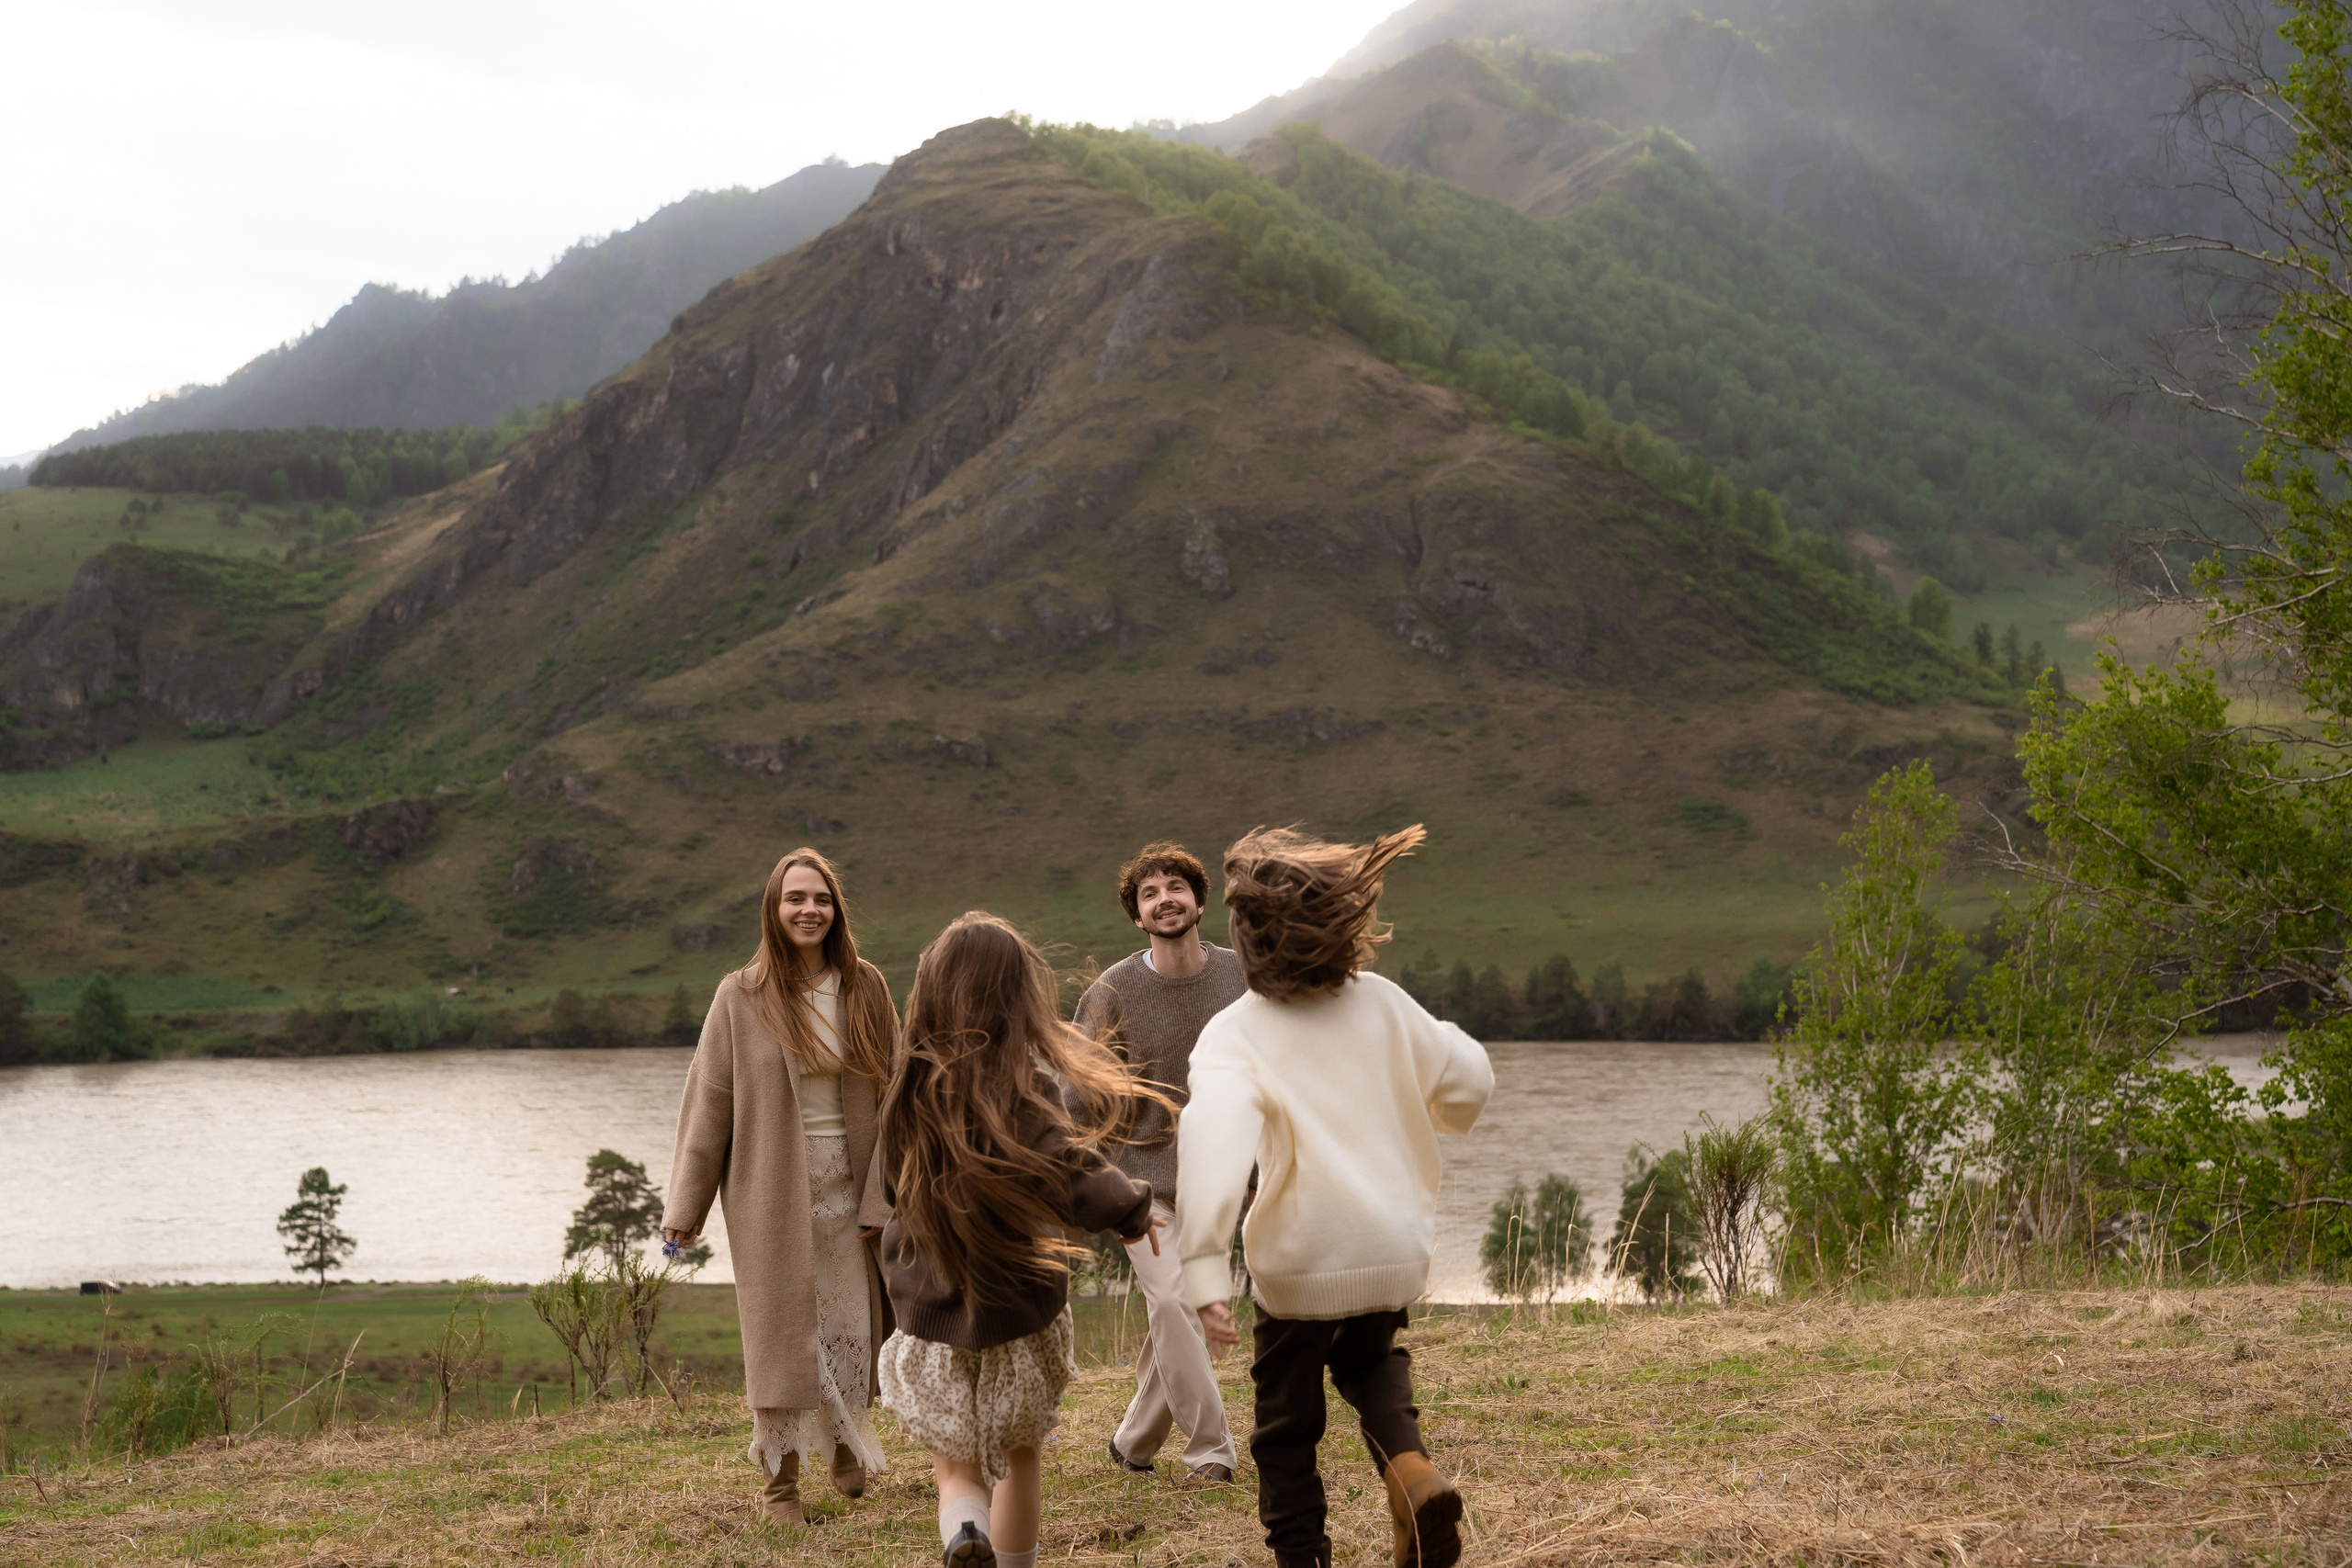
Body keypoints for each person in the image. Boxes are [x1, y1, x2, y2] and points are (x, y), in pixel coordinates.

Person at [1176, 826, 1494, 1568]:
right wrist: (1443, 1110)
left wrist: (1202, 1265)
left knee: (1286, 1425)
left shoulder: (1236, 1032)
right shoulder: (1384, 1003)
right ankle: (1411, 1473)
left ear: (1248, 941)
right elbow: (1469, 1076)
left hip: (1300, 1259)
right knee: (1372, 1361)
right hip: (1391, 1247)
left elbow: (1214, 1141)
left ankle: (1303, 1558)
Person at [869, 912, 1168, 1568]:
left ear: (931, 990)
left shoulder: (909, 1087)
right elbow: (1072, 1171)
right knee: (1019, 1458)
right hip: (1018, 1314)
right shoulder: (1028, 1091)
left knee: (957, 1465)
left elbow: (892, 1187)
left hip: (932, 1314)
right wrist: (1133, 1208)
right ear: (1018, 996)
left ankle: (964, 1530)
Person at [662, 848, 899, 1525]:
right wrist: (685, 1207)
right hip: (771, 1194)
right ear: (774, 907)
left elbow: (898, 1094)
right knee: (782, 1337)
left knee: (852, 1324)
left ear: (836, 909)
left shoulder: (868, 986)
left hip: (853, 1189)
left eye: (820, 898)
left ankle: (847, 1443)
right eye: (795, 897)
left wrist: (884, 1196)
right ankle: (781, 1486)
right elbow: (709, 1105)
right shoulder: (739, 995)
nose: (808, 909)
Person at [1073, 842, 1244, 1486]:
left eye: (1176, 886)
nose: (1165, 898)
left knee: (1174, 1315)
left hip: (1221, 1180)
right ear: (1138, 915)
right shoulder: (1111, 991)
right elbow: (1075, 1094)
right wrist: (1096, 1186)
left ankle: (1133, 1440)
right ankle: (1212, 1452)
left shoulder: (1241, 978)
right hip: (1141, 1186)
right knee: (1176, 1301)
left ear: (1201, 902)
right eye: (1150, 892)